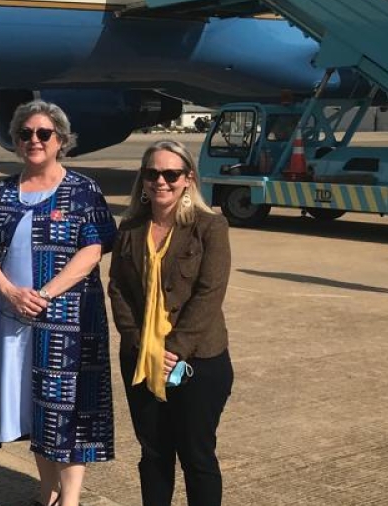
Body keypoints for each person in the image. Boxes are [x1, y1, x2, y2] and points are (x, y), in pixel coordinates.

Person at [0, 101, 117, 506]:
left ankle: (71, 500)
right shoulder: (3, 192)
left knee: (68, 408)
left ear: (60, 140)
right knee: (35, 409)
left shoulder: (83, 190)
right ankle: (46, 492)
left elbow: (93, 250)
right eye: (25, 134)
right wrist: (11, 293)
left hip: (68, 322)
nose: (34, 140)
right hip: (13, 320)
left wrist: (44, 294)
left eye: (43, 133)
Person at [108, 141, 233, 506]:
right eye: (152, 174)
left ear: (187, 178)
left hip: (197, 362)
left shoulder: (210, 226)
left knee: (197, 456)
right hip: (141, 359)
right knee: (154, 454)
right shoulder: (130, 227)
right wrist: (137, 341)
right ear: (143, 180)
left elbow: (210, 293)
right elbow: (118, 289)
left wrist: (173, 349)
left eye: (170, 174)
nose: (160, 181)